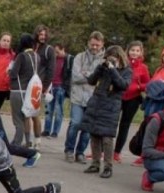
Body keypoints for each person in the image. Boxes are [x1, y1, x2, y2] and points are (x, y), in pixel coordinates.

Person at [81, 45, 132, 179]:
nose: (110, 61)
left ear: (120, 58)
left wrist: (113, 69)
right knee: (94, 135)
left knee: (107, 138)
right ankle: (95, 163)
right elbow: (91, 80)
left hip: (111, 106)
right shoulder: (103, 68)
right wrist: (100, 68)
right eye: (108, 58)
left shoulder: (126, 71)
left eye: (113, 58)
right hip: (97, 103)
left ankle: (108, 166)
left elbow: (123, 85)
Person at [65, 31, 104, 163]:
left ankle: (80, 152)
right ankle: (69, 150)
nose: (94, 47)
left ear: (102, 44)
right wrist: (92, 76)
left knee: (87, 128)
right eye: (92, 44)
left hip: (93, 99)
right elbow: (75, 77)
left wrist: (86, 74)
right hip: (77, 97)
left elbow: (101, 80)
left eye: (97, 45)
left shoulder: (104, 61)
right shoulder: (79, 57)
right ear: (88, 43)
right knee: (75, 123)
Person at [113, 41, 150, 162]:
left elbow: (147, 84)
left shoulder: (143, 68)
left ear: (141, 52)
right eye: (132, 50)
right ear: (127, 51)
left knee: (124, 126)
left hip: (133, 99)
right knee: (111, 123)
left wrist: (139, 87)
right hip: (118, 96)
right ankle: (102, 150)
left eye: (137, 51)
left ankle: (116, 153)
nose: (134, 53)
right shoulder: (121, 63)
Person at [8, 34, 39, 148]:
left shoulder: (21, 56)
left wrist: (9, 70)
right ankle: (28, 141)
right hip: (30, 91)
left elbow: (13, 74)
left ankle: (17, 142)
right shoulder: (36, 56)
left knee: (18, 119)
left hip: (18, 90)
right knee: (26, 117)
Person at [31, 25, 56, 150]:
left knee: (35, 114)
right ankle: (27, 140)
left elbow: (51, 71)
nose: (42, 37)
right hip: (27, 84)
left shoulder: (49, 50)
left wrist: (45, 87)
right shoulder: (32, 48)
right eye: (40, 34)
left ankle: (38, 141)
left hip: (39, 86)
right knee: (26, 113)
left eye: (44, 35)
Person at [42, 42, 73, 139]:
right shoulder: (52, 59)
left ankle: (55, 131)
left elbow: (71, 74)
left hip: (61, 87)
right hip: (51, 87)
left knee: (58, 110)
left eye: (57, 52)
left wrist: (65, 87)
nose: (55, 54)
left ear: (63, 49)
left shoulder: (69, 59)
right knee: (48, 109)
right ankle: (47, 129)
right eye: (54, 52)